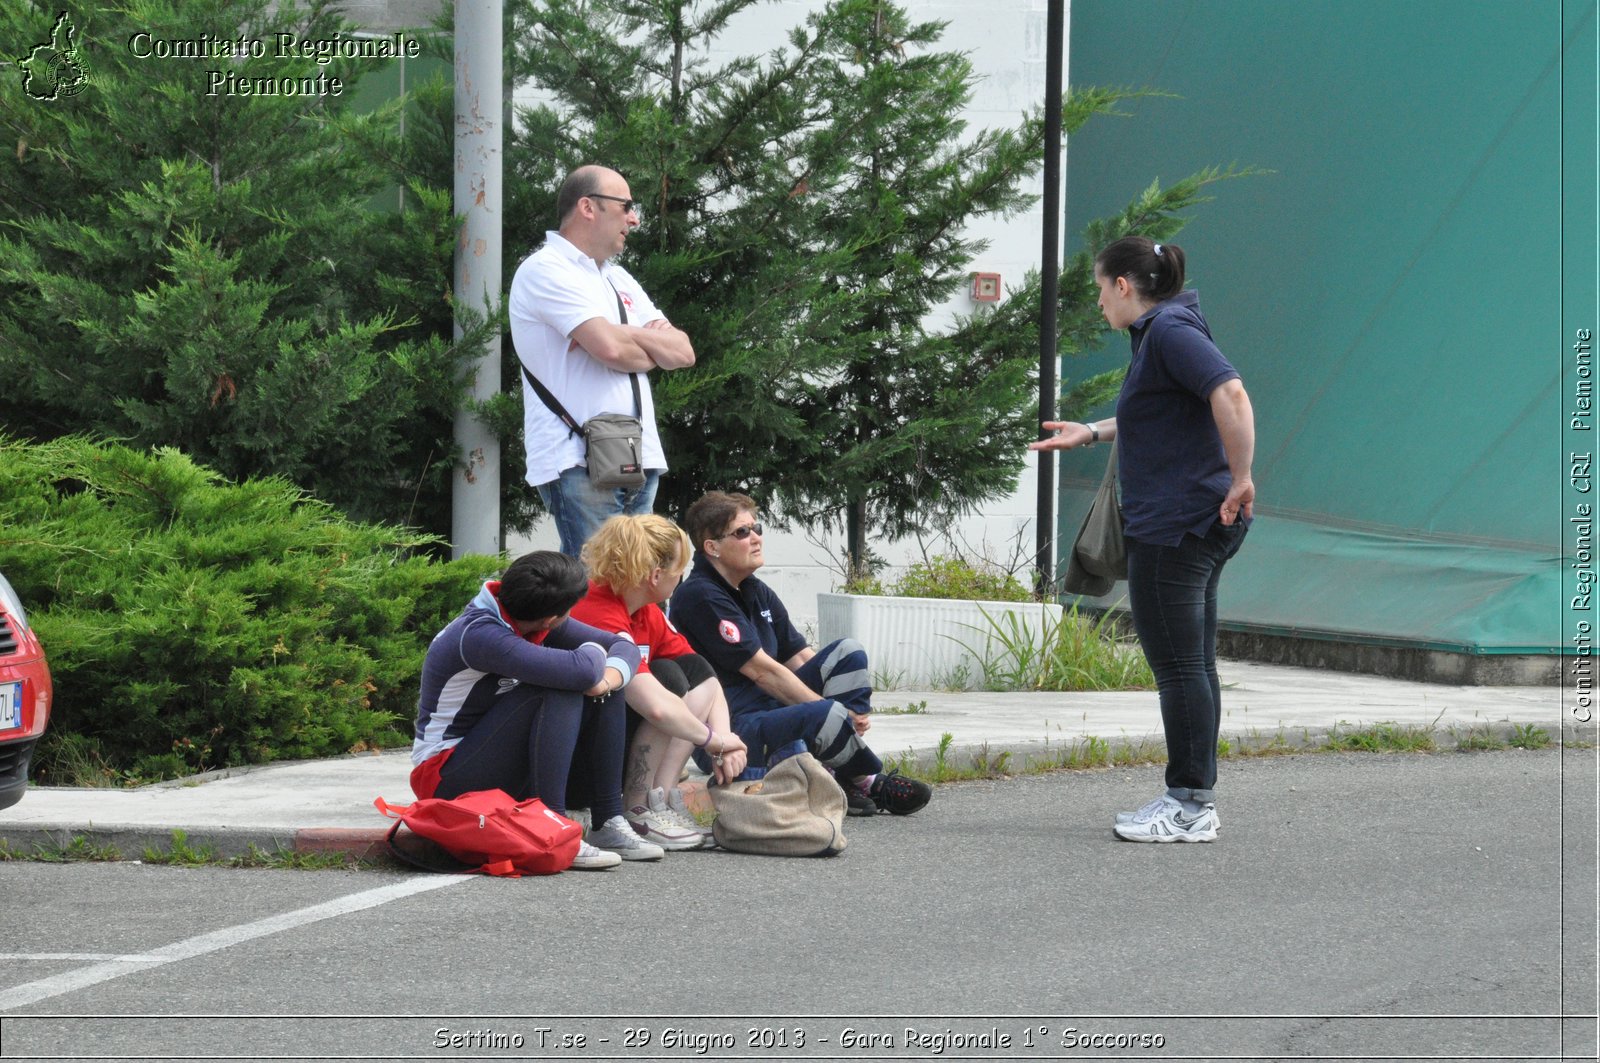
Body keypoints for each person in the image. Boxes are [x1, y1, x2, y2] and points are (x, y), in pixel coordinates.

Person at [1031, 236, 1255, 843]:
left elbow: (1230, 394)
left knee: (1179, 667)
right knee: (1193, 665)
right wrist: (1093, 432)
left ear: (1124, 286)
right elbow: (1161, 411)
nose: (1100, 304)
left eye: (1102, 291)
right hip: (1196, 521)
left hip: (1177, 526)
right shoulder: (1167, 330)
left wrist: (1241, 478)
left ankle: (1189, 806)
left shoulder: (1170, 332)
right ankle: (1192, 798)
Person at [669, 491, 932, 817]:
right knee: (825, 714)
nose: (756, 538)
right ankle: (868, 781)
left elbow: (801, 658)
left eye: (757, 528)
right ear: (712, 547)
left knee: (847, 653)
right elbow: (764, 672)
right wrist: (831, 710)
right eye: (742, 532)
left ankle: (839, 771)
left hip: (771, 710)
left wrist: (844, 712)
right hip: (733, 732)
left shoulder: (755, 589)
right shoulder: (699, 595)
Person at [409, 551, 665, 869]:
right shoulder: (481, 635)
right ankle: (554, 826)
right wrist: (595, 667)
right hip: (442, 775)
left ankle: (608, 821)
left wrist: (604, 680)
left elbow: (622, 648)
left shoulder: (527, 614)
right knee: (556, 688)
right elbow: (584, 669)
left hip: (487, 757)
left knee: (606, 688)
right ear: (550, 619)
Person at [508, 164, 696, 557]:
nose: (634, 218)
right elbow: (611, 351)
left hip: (637, 455)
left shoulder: (618, 278)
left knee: (636, 585)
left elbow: (682, 352)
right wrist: (637, 344)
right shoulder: (544, 269)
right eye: (625, 205)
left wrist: (615, 332)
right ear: (588, 207)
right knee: (595, 588)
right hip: (578, 458)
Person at [570, 514, 750, 850]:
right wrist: (716, 743)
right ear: (655, 576)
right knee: (666, 680)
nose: (681, 576)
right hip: (579, 769)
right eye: (679, 569)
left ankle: (658, 799)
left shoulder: (644, 609)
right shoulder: (598, 609)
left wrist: (725, 738)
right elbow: (653, 704)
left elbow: (706, 678)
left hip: (605, 748)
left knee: (690, 670)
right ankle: (635, 808)